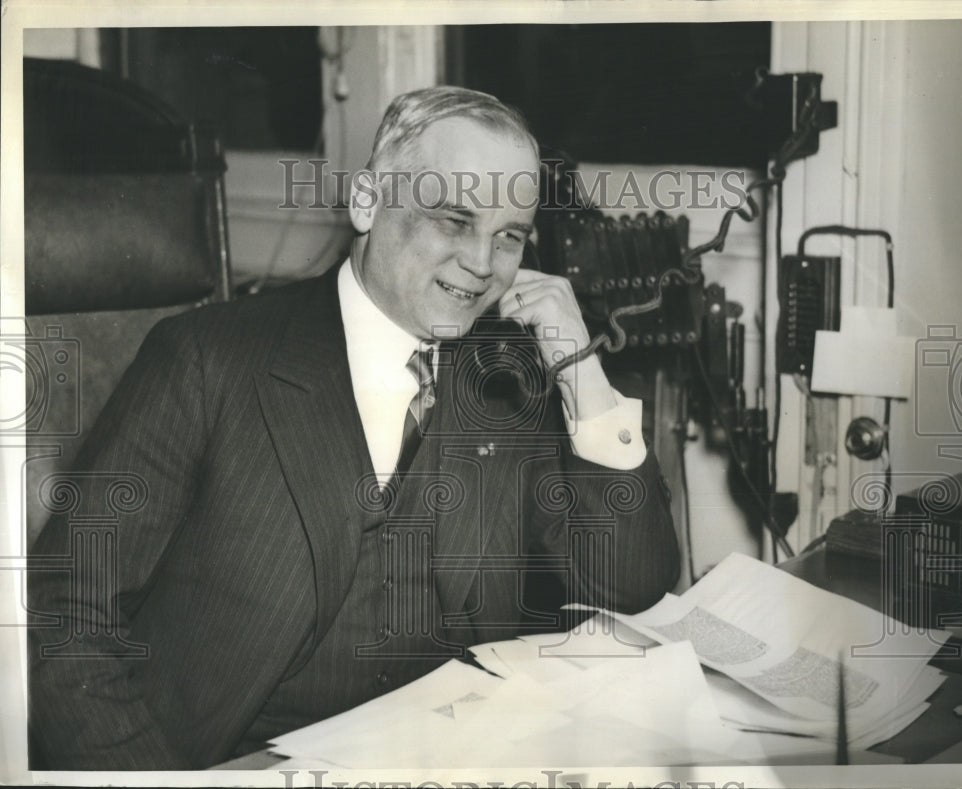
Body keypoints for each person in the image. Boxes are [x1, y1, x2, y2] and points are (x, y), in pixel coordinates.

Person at [28, 86, 679, 770]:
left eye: (508, 236)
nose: (484, 264)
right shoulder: (206, 359)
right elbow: (62, 616)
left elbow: (629, 579)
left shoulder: (508, 375)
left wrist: (581, 367)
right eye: (455, 219)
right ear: (368, 201)